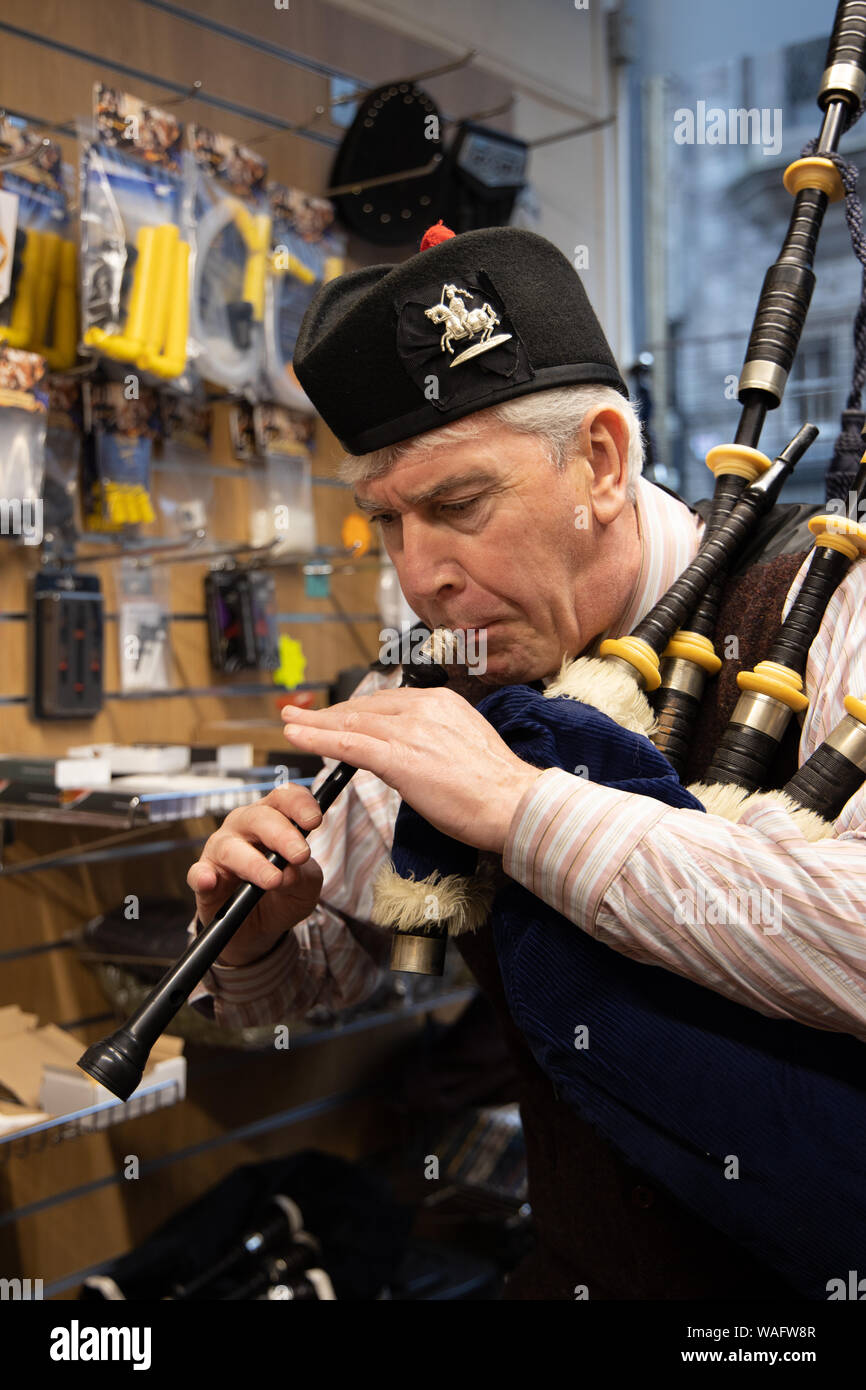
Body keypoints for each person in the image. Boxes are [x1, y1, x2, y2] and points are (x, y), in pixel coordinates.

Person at [185, 224, 866, 1298]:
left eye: (458, 506)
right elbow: (304, 994)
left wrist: (522, 811)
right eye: (386, 524)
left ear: (599, 459)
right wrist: (259, 937)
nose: (422, 578)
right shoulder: (436, 684)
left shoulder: (824, 605)